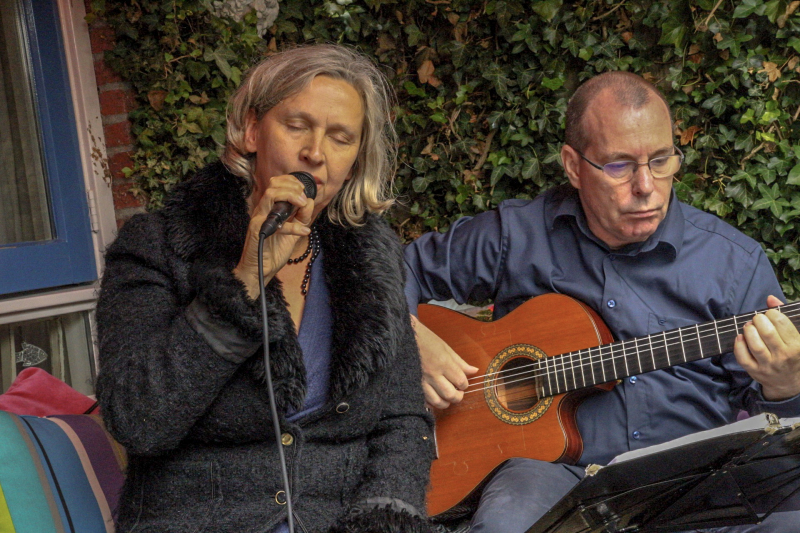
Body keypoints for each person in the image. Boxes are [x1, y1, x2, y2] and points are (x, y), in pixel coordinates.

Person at [404, 71, 800, 532]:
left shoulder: (733, 262)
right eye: (618, 165)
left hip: (689, 483)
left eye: (661, 160)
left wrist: (787, 385)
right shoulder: (517, 234)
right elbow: (391, 271)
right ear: (573, 165)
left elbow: (779, 437)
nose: (646, 186)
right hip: (548, 475)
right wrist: (413, 341)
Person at [95, 44, 434, 533]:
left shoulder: (371, 261)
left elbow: (403, 422)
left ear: (354, 161)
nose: (315, 152)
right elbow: (137, 420)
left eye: (341, 138)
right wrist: (244, 283)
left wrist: (381, 517)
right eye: (297, 125)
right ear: (252, 131)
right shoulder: (158, 246)